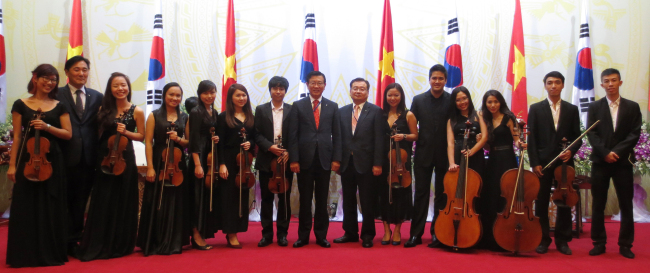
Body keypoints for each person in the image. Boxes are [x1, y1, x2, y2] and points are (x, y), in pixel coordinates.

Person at [6, 64, 73, 267]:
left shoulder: (59, 105)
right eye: (46, 78)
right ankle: (24, 254)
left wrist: (47, 127)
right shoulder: (20, 104)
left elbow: (68, 134)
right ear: (35, 78)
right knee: (26, 206)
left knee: (50, 206)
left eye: (53, 79)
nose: (50, 82)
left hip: (52, 162)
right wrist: (11, 165)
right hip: (26, 161)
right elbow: (17, 137)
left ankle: (50, 252)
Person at [77, 73, 145, 261]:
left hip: (125, 158)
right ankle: (100, 241)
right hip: (105, 157)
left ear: (129, 87)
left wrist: (127, 132)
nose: (120, 89)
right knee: (103, 199)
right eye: (116, 86)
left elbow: (142, 136)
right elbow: (97, 133)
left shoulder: (137, 110)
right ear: (110, 89)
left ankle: (120, 243)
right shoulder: (103, 109)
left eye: (123, 85)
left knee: (122, 199)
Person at [587, 68, 642, 259]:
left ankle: (626, 244)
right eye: (606, 81)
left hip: (623, 162)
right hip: (600, 162)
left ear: (620, 82)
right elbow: (591, 133)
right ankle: (599, 242)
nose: (610, 84)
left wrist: (616, 153)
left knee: (626, 204)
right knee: (598, 204)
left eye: (614, 80)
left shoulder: (632, 107)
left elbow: (634, 134)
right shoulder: (594, 107)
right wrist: (605, 153)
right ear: (601, 84)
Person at [527, 71, 582, 255]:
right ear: (545, 85)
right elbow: (531, 139)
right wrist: (534, 163)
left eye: (557, 82)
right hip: (543, 163)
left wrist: (571, 151)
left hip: (565, 163)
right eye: (549, 82)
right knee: (541, 201)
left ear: (562, 85)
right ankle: (543, 239)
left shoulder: (572, 109)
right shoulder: (535, 108)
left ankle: (562, 240)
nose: (553, 86)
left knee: (564, 201)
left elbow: (578, 138)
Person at [56, 56, 104, 255]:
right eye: (76, 70)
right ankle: (58, 241)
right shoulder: (56, 94)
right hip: (61, 156)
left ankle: (74, 240)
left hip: (88, 159)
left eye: (85, 70)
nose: (81, 73)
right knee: (60, 200)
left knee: (80, 202)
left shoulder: (97, 96)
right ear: (66, 72)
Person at [289, 71, 341, 248]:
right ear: (307, 84)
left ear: (325, 85)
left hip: (325, 160)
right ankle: (303, 236)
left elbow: (338, 135)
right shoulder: (298, 105)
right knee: (304, 200)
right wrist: (294, 159)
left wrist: (336, 159)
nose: (316, 86)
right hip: (304, 160)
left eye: (320, 83)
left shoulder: (332, 106)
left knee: (322, 199)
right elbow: (293, 135)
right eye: (313, 83)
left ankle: (321, 236)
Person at [138, 82, 190, 255]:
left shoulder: (184, 117)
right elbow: (148, 142)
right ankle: (155, 241)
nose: (175, 98)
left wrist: (178, 139)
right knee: (156, 202)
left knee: (176, 202)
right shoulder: (154, 115)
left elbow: (188, 142)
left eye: (178, 95)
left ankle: (174, 242)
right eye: (171, 95)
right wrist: (150, 167)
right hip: (159, 163)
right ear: (164, 96)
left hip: (177, 163)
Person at [333, 78, 384, 248]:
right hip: (347, 163)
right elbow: (338, 139)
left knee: (367, 200)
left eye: (362, 89)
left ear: (368, 92)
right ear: (350, 91)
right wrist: (337, 160)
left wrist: (378, 163)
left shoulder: (376, 111)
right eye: (355, 88)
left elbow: (379, 139)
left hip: (368, 164)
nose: (358, 91)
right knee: (348, 199)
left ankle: (368, 234)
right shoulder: (341, 112)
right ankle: (350, 232)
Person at [406, 64, 450, 248]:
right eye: (434, 78)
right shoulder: (418, 100)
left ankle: (438, 234)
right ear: (429, 79)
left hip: (446, 155)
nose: (437, 81)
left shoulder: (452, 99)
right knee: (421, 194)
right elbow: (409, 123)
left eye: (441, 78)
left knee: (442, 195)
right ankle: (415, 234)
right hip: (423, 153)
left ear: (445, 80)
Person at [478, 90, 521, 250]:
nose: (493, 105)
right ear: (486, 104)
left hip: (507, 160)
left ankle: (507, 236)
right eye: (489, 102)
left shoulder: (509, 117)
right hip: (493, 161)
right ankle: (490, 238)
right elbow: (488, 145)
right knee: (492, 196)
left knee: (507, 196)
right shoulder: (485, 119)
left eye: (495, 101)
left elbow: (516, 140)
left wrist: (521, 144)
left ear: (500, 102)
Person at [254, 76, 294, 247]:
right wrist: (270, 147)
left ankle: (283, 234)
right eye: (275, 88)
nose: (278, 92)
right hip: (266, 159)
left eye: (281, 89)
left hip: (285, 160)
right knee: (267, 199)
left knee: (284, 199)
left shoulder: (293, 110)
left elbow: (296, 135)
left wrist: (289, 152)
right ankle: (267, 234)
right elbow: (256, 134)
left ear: (285, 91)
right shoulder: (261, 109)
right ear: (270, 90)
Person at [217, 83, 256, 249]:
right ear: (231, 98)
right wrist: (222, 164)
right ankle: (230, 233)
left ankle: (237, 229)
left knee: (242, 197)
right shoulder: (224, 117)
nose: (242, 98)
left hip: (244, 163)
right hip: (229, 160)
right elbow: (219, 144)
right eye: (238, 95)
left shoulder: (250, 117)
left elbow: (255, 138)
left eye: (244, 95)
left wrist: (250, 144)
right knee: (229, 198)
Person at [378, 83, 418, 246]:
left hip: (401, 162)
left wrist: (404, 136)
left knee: (401, 196)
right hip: (383, 161)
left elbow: (415, 136)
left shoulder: (408, 115)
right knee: (383, 195)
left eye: (396, 95)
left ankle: (397, 230)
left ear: (401, 96)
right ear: (385, 97)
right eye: (389, 95)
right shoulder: (380, 115)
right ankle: (386, 230)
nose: (392, 98)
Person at [187, 80, 220, 250]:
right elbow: (193, 140)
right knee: (197, 198)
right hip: (198, 158)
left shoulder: (213, 112)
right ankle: (195, 234)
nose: (209, 96)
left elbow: (210, 133)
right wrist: (197, 165)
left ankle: (201, 231)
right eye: (206, 93)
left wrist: (215, 138)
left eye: (212, 92)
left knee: (205, 198)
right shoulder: (196, 111)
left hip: (209, 157)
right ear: (200, 94)